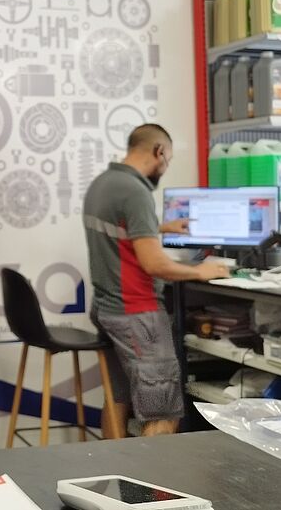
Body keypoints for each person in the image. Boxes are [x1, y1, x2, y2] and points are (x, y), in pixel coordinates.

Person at [82, 124, 228, 438]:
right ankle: (153, 474)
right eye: (168, 160)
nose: (165, 167)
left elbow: (120, 229)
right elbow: (154, 264)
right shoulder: (136, 192)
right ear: (159, 151)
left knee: (118, 398)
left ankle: (111, 466)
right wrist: (201, 272)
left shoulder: (104, 183)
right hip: (137, 315)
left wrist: (159, 228)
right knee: (163, 410)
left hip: (107, 308)